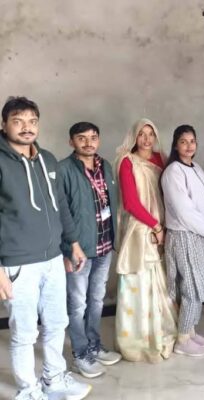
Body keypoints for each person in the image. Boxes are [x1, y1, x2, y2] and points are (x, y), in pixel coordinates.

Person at [0, 97, 91, 400]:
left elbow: (60, 206)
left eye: (32, 121)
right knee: (25, 332)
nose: (26, 127)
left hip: (53, 259)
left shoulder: (47, 159)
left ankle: (54, 379)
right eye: (18, 121)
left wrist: (73, 244)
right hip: (18, 263)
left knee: (56, 323)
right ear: (4, 125)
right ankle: (28, 390)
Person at [59, 122, 122, 378]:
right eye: (81, 138)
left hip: (104, 245)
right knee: (77, 304)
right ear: (71, 142)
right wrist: (66, 249)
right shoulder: (63, 170)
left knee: (96, 300)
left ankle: (94, 345)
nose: (88, 143)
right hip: (79, 250)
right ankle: (80, 354)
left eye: (93, 137)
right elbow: (60, 213)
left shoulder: (105, 166)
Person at [114, 118, 177, 362]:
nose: (147, 139)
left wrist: (165, 226)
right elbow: (131, 203)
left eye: (151, 134)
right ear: (134, 136)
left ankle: (163, 330)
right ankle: (139, 338)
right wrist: (155, 226)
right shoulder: (127, 162)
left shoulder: (161, 160)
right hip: (140, 230)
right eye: (142, 134)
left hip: (163, 226)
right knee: (140, 281)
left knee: (162, 280)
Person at [161, 125, 204, 357]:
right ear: (175, 145)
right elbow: (184, 211)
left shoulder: (197, 168)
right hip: (185, 236)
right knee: (190, 288)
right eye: (183, 141)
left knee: (199, 285)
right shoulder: (173, 172)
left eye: (192, 141)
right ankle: (182, 339)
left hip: (203, 235)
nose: (189, 146)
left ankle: (191, 331)